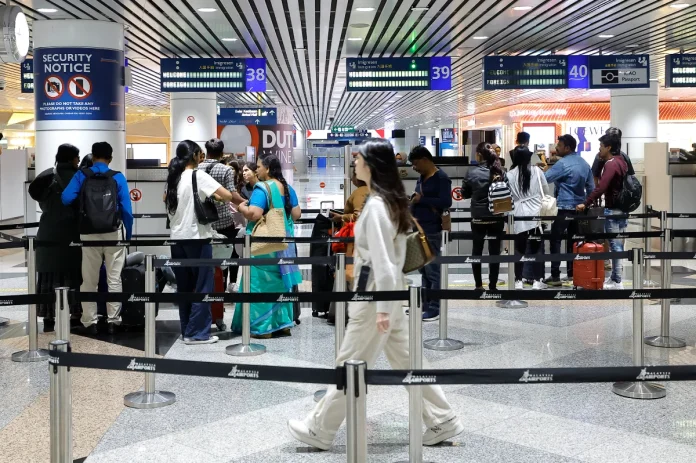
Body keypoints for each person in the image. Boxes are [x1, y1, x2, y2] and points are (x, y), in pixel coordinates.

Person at [288, 139, 463, 450]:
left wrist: (381, 308)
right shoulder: (388, 202)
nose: (354, 163)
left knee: (350, 362)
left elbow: (382, 261)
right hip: (388, 294)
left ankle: (320, 429)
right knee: (409, 360)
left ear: (371, 166)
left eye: (358, 159)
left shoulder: (377, 207)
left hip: (375, 297)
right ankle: (442, 418)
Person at [165, 140, 235, 344]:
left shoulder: (173, 178)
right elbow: (227, 195)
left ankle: (187, 330)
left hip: (177, 240)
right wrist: (215, 198)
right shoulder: (198, 175)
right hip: (197, 238)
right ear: (194, 156)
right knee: (203, 285)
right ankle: (198, 333)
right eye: (199, 154)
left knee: (184, 287)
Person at [61, 142, 132, 335]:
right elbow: (127, 210)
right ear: (110, 158)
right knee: (114, 279)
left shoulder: (82, 175)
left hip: (88, 231)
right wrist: (128, 234)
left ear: (92, 157)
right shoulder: (117, 177)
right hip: (113, 233)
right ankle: (113, 321)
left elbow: (66, 198)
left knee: (89, 279)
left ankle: (89, 321)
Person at [234, 155, 302, 338]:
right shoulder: (287, 187)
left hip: (264, 245)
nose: (256, 170)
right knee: (281, 282)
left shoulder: (262, 188)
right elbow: (296, 214)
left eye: (258, 167)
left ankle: (263, 328)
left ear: (268, 169)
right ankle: (282, 324)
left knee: (259, 282)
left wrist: (241, 208)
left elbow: (254, 214)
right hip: (284, 242)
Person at [29, 144, 82, 333]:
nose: (78, 160)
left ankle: (48, 317)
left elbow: (36, 195)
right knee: (73, 275)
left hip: (47, 233)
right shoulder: (78, 177)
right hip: (71, 233)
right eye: (77, 157)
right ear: (71, 158)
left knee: (49, 275)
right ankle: (75, 315)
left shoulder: (45, 176)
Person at [577, 133, 628, 289]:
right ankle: (615, 277)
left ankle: (617, 280)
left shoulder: (611, 164)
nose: (599, 149)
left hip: (613, 209)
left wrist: (586, 202)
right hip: (623, 208)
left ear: (609, 147)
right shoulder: (622, 161)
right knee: (618, 244)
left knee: (614, 245)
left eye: (601, 146)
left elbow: (601, 187)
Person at [408, 145, 452, 320]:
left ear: (425, 160)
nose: (414, 167)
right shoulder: (422, 177)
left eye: (416, 163)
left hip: (432, 229)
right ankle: (425, 304)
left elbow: (446, 202)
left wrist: (422, 200)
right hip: (419, 229)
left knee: (433, 271)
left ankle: (435, 307)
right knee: (424, 270)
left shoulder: (441, 178)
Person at [544, 134, 594, 286]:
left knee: (555, 239)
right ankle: (572, 273)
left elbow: (545, 178)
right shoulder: (584, 163)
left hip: (564, 207)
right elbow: (591, 187)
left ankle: (555, 275)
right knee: (575, 240)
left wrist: (545, 169)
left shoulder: (563, 163)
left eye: (559, 145)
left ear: (567, 148)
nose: (556, 148)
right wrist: (586, 203)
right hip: (579, 208)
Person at [462, 142, 505, 291]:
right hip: (496, 216)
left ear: (479, 155)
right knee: (494, 252)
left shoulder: (471, 172)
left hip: (478, 217)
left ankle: (478, 285)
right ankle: (493, 286)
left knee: (477, 251)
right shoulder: (499, 171)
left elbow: (465, 194)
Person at [507, 147, 549, 290]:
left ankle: (518, 280)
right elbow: (545, 190)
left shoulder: (509, 174)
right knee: (537, 248)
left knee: (519, 248)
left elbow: (509, 196)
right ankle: (537, 280)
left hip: (518, 213)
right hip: (536, 212)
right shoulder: (537, 171)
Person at [199, 139, 244, 238]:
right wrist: (246, 202)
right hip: (223, 221)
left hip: (202, 221)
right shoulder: (226, 169)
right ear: (222, 153)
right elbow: (232, 196)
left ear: (207, 152)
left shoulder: (196, 169)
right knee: (227, 247)